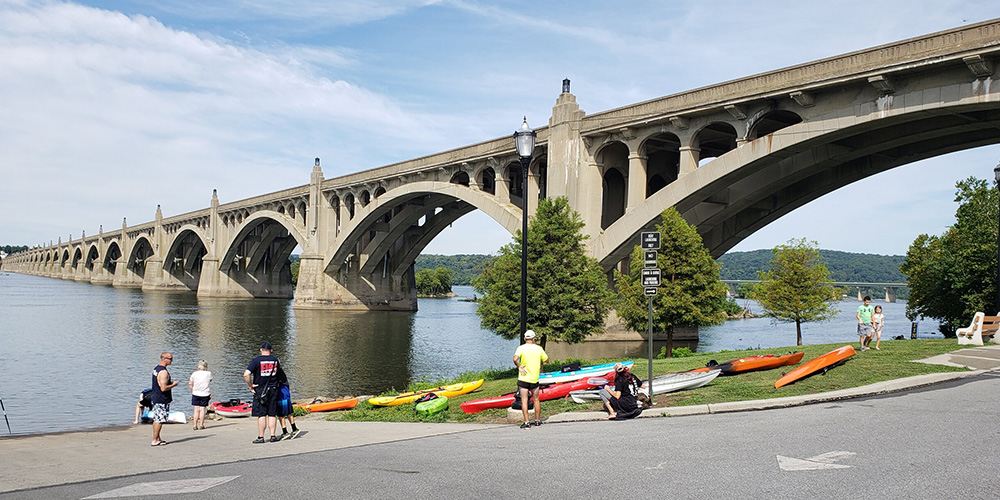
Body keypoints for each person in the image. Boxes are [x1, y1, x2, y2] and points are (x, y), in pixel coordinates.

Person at [243, 341, 285, 444]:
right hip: (273, 389)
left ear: (261, 350)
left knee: (261, 414)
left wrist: (250, 385)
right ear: (271, 350)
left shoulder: (256, 360)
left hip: (260, 390)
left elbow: (246, 374)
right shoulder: (276, 360)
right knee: (272, 414)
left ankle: (261, 437)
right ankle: (273, 436)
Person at [513, 329, 548, 429]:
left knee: (524, 400)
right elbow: (546, 360)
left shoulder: (521, 348)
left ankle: (527, 422)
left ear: (524, 338)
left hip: (523, 378)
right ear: (534, 339)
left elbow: (515, 359)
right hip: (534, 379)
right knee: (536, 399)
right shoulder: (539, 348)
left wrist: (519, 366)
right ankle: (537, 420)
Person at [150, 352, 178, 446]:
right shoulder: (163, 372)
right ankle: (154, 439)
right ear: (164, 359)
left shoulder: (156, 369)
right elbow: (163, 388)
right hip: (161, 398)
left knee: (157, 418)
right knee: (160, 419)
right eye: (170, 359)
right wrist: (173, 385)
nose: (171, 361)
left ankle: (157, 437)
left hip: (156, 397)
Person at [276, 369, 300, 440]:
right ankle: (294, 428)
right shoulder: (282, 373)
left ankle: (285, 432)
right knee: (288, 413)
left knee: (280, 414)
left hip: (281, 395)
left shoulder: (276, 373)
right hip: (286, 394)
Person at [188, 360, 212, 430]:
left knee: (196, 410)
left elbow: (190, 383)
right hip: (205, 393)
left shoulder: (194, 374)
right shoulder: (208, 373)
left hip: (196, 393)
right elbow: (210, 380)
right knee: (202, 409)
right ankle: (201, 424)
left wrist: (192, 391)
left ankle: (195, 425)